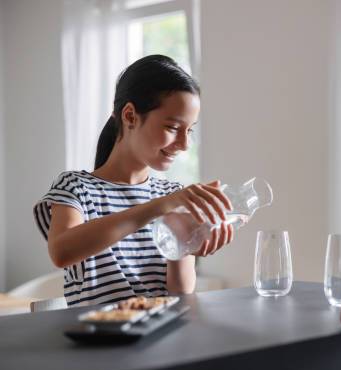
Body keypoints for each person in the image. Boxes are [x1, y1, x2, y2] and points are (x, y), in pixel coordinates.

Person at [33, 55, 233, 307]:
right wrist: (160, 207)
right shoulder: (76, 187)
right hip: (102, 342)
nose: (184, 144)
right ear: (130, 116)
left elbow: (180, 295)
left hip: (163, 338)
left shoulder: (172, 193)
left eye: (190, 130)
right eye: (173, 128)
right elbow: (62, 252)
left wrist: (184, 244)